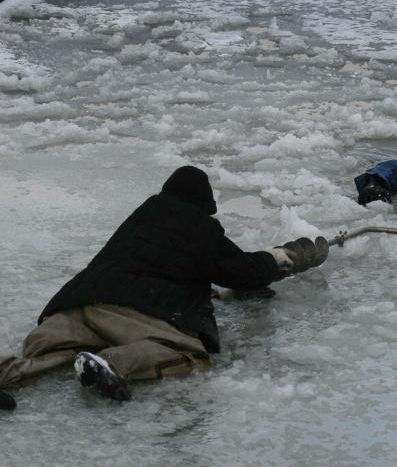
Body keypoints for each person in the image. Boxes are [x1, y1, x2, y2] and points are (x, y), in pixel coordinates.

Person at [0, 166, 327, 410]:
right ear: (204, 204)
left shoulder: (140, 218)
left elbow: (155, 264)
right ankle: (113, 364)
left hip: (72, 309)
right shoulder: (198, 225)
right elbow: (241, 271)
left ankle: (7, 372)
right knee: (190, 354)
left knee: (56, 353)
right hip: (133, 315)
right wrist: (276, 258)